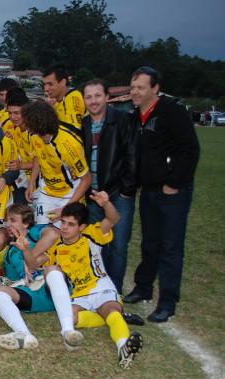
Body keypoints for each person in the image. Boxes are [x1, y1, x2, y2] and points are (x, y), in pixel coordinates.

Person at [123, 66, 200, 323]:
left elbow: (190, 149)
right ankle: (143, 287)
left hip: (172, 192)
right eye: (132, 87)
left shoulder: (171, 111)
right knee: (150, 243)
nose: (135, 92)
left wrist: (174, 182)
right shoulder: (136, 116)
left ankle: (167, 301)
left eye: (140, 87)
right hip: (149, 191)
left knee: (170, 246)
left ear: (155, 88)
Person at [46, 199, 143, 368]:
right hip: (79, 294)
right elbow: (45, 266)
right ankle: (108, 317)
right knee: (71, 319)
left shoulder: (92, 234)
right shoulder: (56, 247)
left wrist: (105, 203)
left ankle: (123, 347)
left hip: (101, 287)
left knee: (111, 311)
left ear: (81, 227)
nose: (64, 227)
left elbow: (113, 219)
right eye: (63, 222)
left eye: (71, 224)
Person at [0, 204, 83, 350]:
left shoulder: (35, 232)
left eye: (13, 220)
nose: (7, 224)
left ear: (26, 223)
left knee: (52, 270)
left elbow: (53, 234)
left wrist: (29, 254)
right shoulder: (10, 253)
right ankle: (23, 333)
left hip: (53, 288)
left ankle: (68, 331)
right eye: (6, 220)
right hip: (33, 296)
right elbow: (14, 281)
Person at [82, 79, 139, 300]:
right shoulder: (84, 124)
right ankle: (100, 287)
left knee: (118, 244)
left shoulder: (123, 120)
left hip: (117, 195)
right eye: (89, 96)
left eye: (97, 95)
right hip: (93, 196)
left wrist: (124, 191)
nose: (93, 101)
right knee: (97, 243)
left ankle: (115, 291)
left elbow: (133, 157)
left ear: (107, 97)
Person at [22, 100, 91, 227]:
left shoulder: (69, 144)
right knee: (42, 233)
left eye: (27, 122)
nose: (24, 124)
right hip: (46, 192)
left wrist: (67, 208)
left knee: (64, 236)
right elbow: (38, 157)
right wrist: (32, 183)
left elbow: (86, 179)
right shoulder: (34, 136)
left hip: (68, 195)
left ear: (37, 123)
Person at [42, 63, 85, 134]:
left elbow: (74, 132)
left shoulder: (73, 97)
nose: (46, 89)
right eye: (44, 84)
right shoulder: (55, 102)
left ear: (63, 82)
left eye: (50, 84)